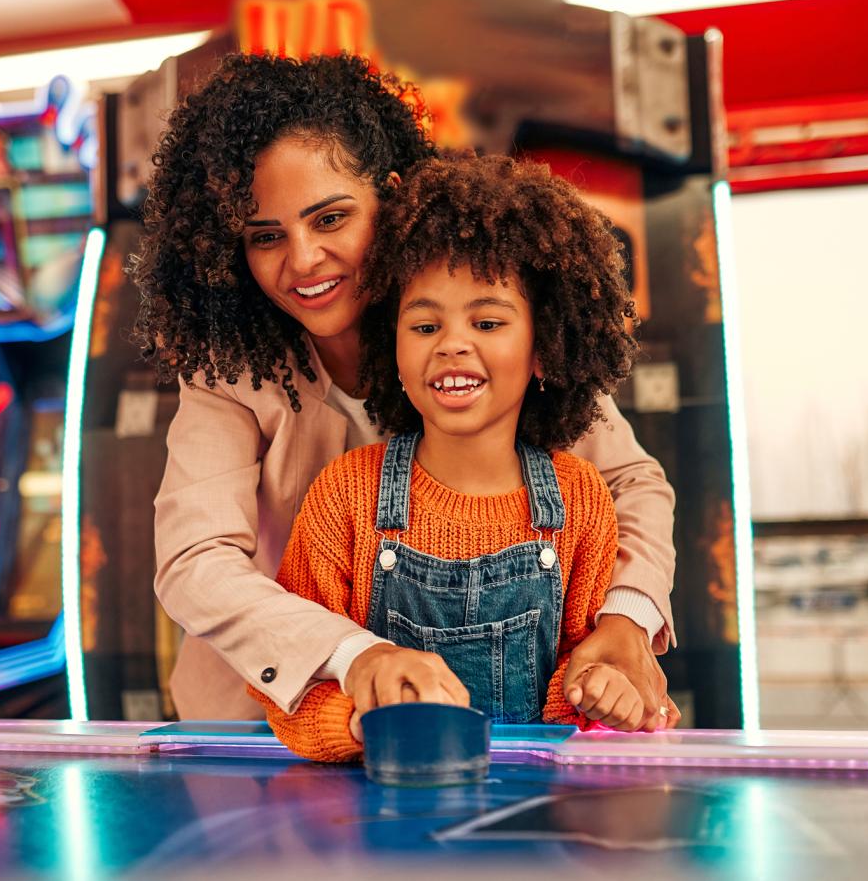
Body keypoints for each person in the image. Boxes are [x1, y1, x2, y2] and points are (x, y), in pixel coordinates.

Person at [133, 53, 679, 730]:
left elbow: (631, 482)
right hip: (268, 724)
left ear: (389, 198)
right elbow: (195, 561)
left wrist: (627, 618)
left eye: (330, 219)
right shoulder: (229, 368)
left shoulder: (479, 328)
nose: (302, 259)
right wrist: (355, 657)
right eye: (265, 236)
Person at [253, 154, 654, 761]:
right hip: (383, 815)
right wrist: (362, 721)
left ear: (544, 348)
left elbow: (585, 662)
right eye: (423, 327)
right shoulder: (344, 497)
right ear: (393, 351)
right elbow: (295, 685)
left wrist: (601, 693)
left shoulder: (582, 500)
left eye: (488, 321)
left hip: (533, 821)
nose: (452, 344)